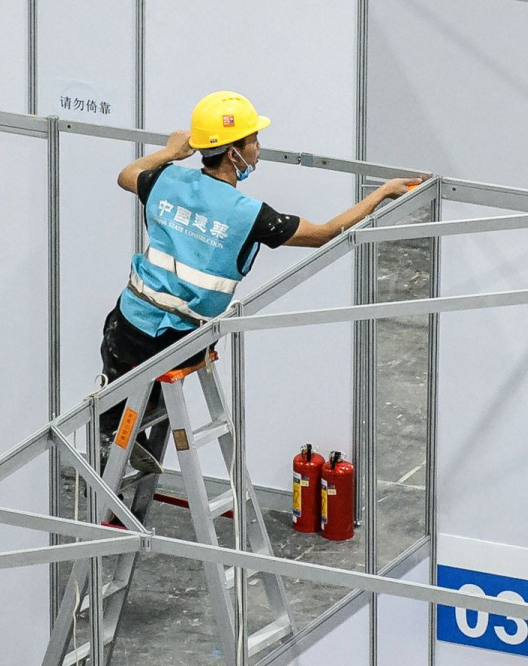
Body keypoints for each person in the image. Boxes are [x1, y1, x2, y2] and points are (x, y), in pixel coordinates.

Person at [98, 91, 419, 460]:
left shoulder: (166, 181)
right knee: (139, 390)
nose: (259, 148)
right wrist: (381, 192)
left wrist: (171, 151)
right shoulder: (249, 215)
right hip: (182, 344)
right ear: (233, 153)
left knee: (118, 383)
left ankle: (113, 435)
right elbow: (326, 233)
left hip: (127, 330)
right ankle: (118, 440)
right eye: (253, 141)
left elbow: (126, 175)